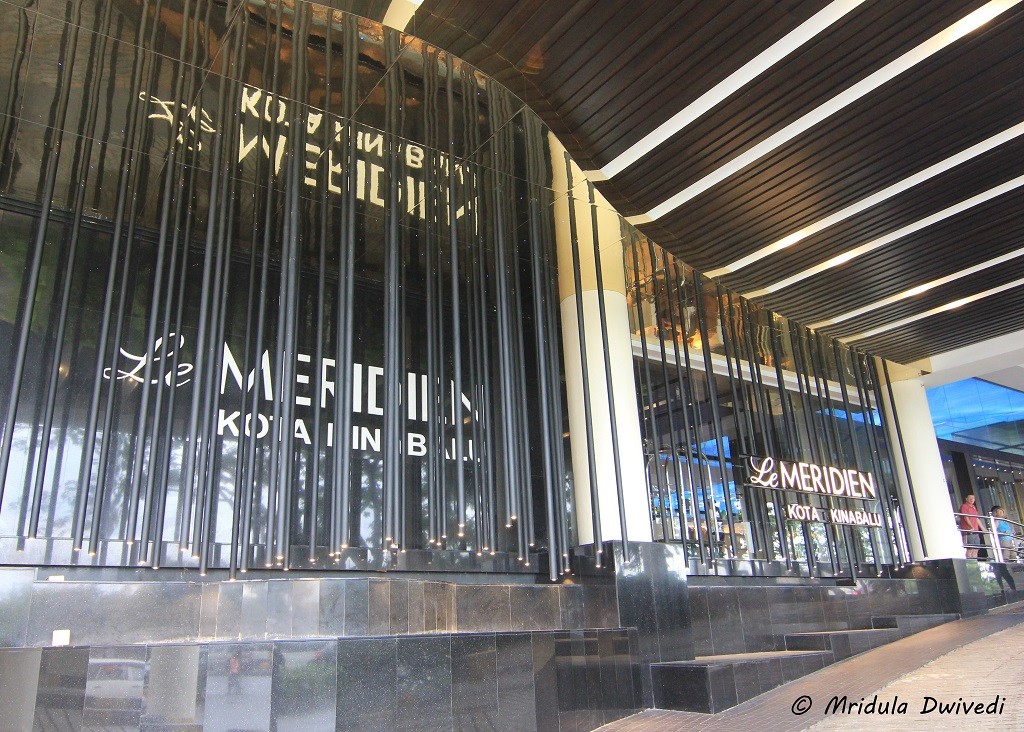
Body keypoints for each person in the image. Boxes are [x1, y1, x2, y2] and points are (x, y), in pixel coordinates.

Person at [958, 493, 982, 558]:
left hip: (975, 531)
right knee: (970, 549)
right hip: (968, 531)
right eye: (970, 498)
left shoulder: (973, 507)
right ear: (966, 499)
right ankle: (970, 562)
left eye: (973, 498)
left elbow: (976, 518)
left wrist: (983, 529)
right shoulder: (964, 506)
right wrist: (971, 527)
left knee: (976, 549)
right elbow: (966, 517)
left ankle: (975, 562)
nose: (972, 499)